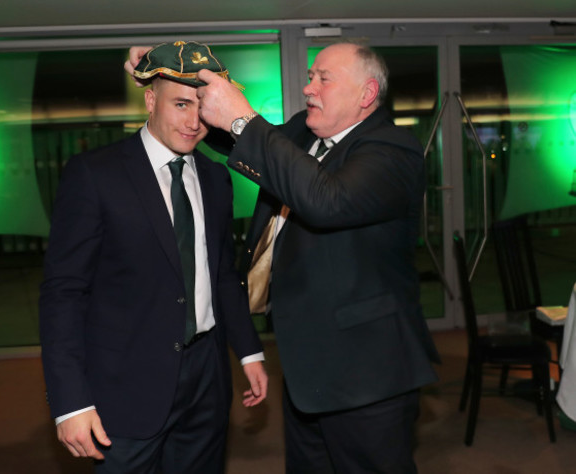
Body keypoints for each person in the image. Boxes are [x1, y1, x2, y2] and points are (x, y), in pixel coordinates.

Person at [127, 41, 439, 473]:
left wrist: (243, 118)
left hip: (367, 373)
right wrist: (169, 73)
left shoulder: (393, 149)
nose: (309, 87)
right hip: (308, 366)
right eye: (310, 76)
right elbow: (232, 136)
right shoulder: (303, 131)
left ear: (366, 94)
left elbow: (326, 201)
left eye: (323, 78)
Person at [40, 40, 267, 473]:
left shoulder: (217, 178)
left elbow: (220, 273)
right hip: (125, 383)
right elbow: (63, 293)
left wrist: (249, 352)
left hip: (207, 377)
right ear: (149, 98)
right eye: (180, 104)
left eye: (202, 107)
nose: (193, 121)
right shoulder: (94, 174)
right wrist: (69, 402)